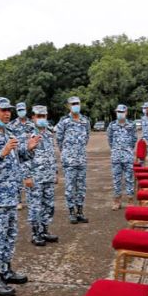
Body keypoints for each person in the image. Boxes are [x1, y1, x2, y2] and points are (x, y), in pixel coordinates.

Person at [0, 96, 40, 296]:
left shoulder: (7, 132)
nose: (7, 113)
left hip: (11, 195)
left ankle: (6, 270)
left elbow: (16, 156)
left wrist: (27, 148)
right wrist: (1, 154)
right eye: (2, 110)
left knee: (9, 236)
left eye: (8, 109)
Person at [56, 96, 91, 224]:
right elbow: (59, 139)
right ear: (68, 106)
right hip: (69, 160)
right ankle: (71, 212)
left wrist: (78, 150)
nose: (76, 105)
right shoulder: (64, 122)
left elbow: (87, 137)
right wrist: (66, 152)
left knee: (81, 187)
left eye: (77, 103)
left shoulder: (85, 121)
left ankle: (80, 211)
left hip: (81, 159)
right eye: (73, 104)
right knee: (70, 187)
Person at [27, 105, 59, 245]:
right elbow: (23, 157)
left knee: (49, 205)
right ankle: (35, 233)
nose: (41, 119)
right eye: (39, 116)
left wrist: (55, 172)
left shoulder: (49, 133)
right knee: (35, 206)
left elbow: (52, 155)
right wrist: (26, 176)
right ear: (33, 117)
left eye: (44, 116)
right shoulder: (28, 134)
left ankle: (45, 230)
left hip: (48, 176)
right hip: (35, 177)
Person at [107, 104, 137, 210]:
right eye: (118, 112)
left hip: (128, 156)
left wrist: (127, 149)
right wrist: (116, 149)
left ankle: (130, 200)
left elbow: (134, 139)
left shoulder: (131, 125)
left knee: (129, 179)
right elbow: (110, 140)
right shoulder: (112, 125)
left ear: (126, 112)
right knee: (116, 179)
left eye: (122, 112)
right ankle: (117, 201)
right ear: (116, 113)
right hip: (116, 156)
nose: (120, 114)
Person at [9, 102, 36, 211]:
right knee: (17, 179)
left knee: (29, 177)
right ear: (17, 111)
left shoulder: (31, 124)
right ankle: (18, 201)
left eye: (22, 110)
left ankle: (31, 201)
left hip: (29, 154)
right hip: (16, 154)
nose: (21, 112)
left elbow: (35, 137)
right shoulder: (12, 125)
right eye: (19, 110)